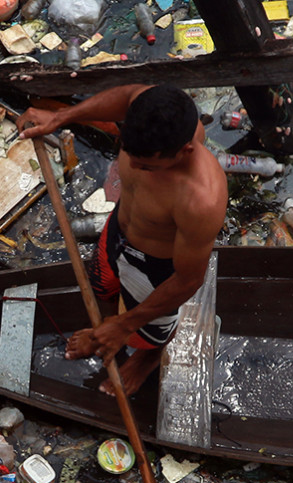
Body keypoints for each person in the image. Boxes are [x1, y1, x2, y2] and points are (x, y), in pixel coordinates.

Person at [20, 84, 226, 392]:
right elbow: (126, 97)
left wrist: (126, 324)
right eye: (130, 156)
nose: (137, 169)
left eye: (149, 166)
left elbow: (187, 281)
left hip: (155, 266)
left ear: (185, 151)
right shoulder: (153, 107)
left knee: (150, 331)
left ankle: (148, 357)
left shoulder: (201, 199)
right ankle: (105, 332)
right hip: (118, 229)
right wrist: (61, 116)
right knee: (102, 287)